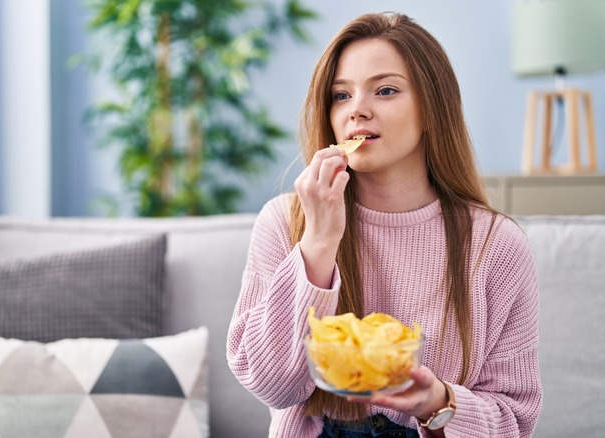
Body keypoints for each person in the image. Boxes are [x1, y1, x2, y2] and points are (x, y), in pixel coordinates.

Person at [226, 12, 542, 438]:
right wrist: (318, 242)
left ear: (432, 108)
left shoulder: (495, 245)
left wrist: (437, 403)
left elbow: (514, 421)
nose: (357, 110)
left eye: (386, 90)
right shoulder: (286, 222)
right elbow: (271, 384)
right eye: (340, 95)